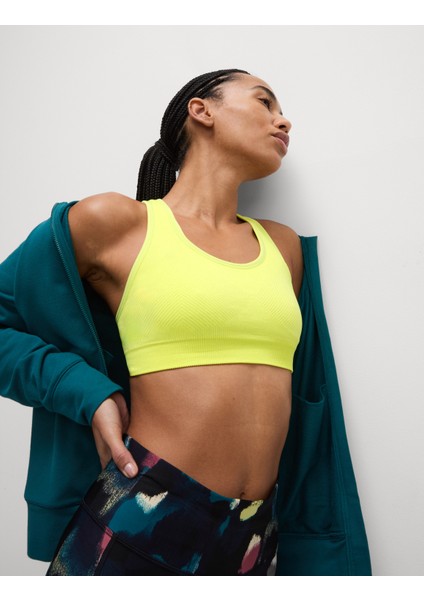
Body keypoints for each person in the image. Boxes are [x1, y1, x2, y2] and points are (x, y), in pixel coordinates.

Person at [0, 69, 371, 576]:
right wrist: (88, 393)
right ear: (202, 111)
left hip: (255, 535)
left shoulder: (283, 248)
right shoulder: (117, 224)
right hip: (143, 511)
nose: (283, 121)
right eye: (264, 102)